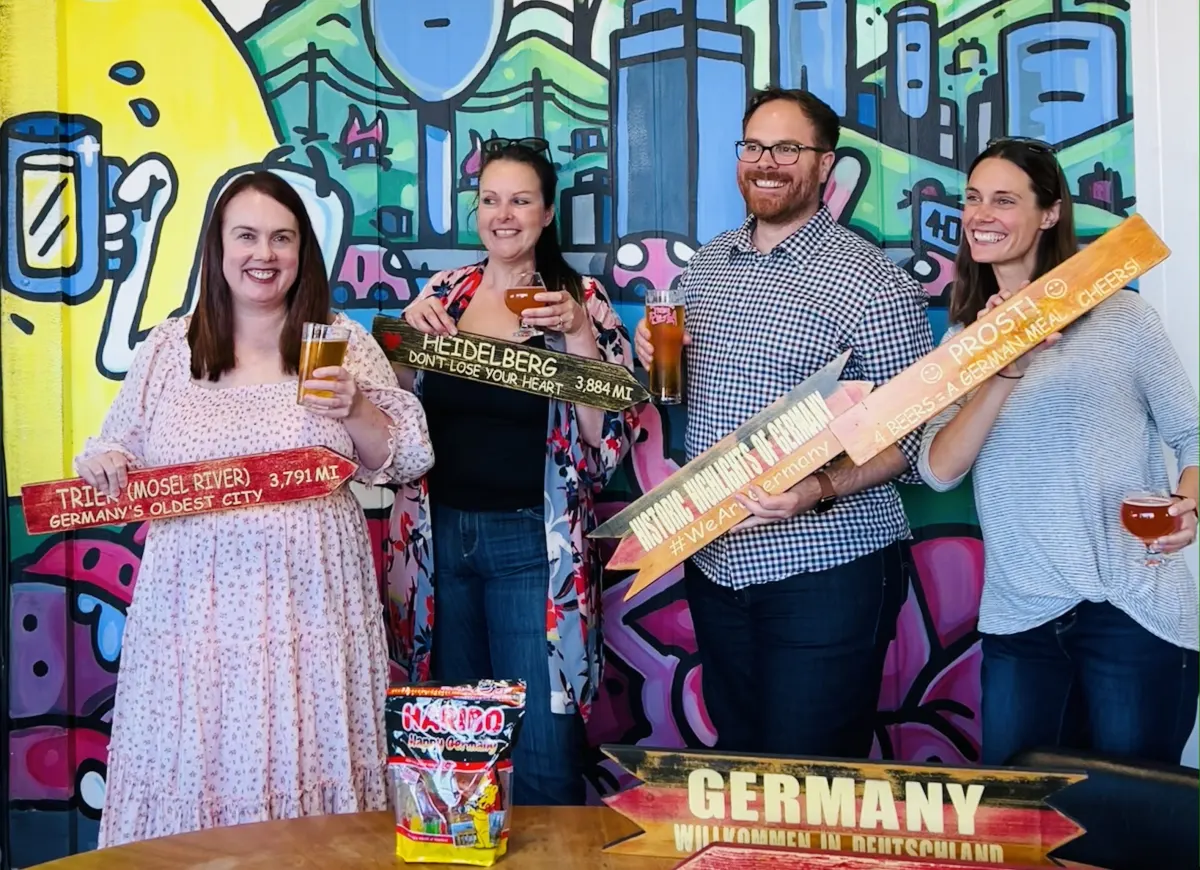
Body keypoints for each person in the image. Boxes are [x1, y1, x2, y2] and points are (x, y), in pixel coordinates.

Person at [75, 171, 435, 846]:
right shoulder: (171, 347)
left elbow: (405, 458)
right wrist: (105, 463)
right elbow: (116, 445)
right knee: (198, 773)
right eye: (246, 236)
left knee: (310, 769)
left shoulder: (338, 341)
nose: (263, 254)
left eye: (281, 238)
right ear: (217, 248)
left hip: (312, 613)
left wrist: (355, 405)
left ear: (302, 252)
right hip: (191, 619)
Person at [633, 88, 934, 758]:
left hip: (826, 569)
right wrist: (646, 351)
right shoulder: (707, 265)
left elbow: (912, 441)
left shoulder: (873, 283)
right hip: (717, 564)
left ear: (825, 164)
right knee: (743, 764)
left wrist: (814, 489)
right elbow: (684, 394)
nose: (765, 162)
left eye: (787, 149)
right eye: (754, 146)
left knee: (811, 777)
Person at [918, 138, 1199, 766]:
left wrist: (1189, 506)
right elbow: (938, 470)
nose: (980, 215)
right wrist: (1004, 365)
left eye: (1004, 200)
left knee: (1130, 815)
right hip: (1021, 623)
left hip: (1133, 612)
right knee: (1022, 819)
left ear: (1049, 213)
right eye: (973, 199)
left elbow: (1193, 434)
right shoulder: (964, 342)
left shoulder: (1124, 318)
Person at [394, 137, 638, 804]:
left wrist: (579, 336)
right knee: (455, 750)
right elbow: (397, 416)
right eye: (490, 200)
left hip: (533, 546)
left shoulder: (580, 301)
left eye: (521, 201)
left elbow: (607, 444)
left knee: (541, 755)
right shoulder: (444, 294)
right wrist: (404, 346)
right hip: (439, 542)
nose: (503, 215)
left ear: (547, 213)